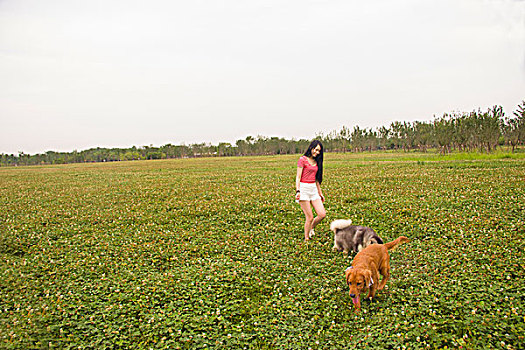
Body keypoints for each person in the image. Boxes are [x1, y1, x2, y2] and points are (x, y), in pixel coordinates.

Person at [295, 140, 326, 242]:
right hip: (304, 188)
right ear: (311, 148)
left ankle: (311, 227)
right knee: (310, 217)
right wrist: (298, 191)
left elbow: (317, 180)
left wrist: (320, 193)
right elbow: (298, 177)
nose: (316, 153)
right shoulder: (302, 160)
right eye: (316, 150)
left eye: (319, 151)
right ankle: (306, 238)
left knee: (322, 214)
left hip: (313, 189)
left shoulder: (317, 162)